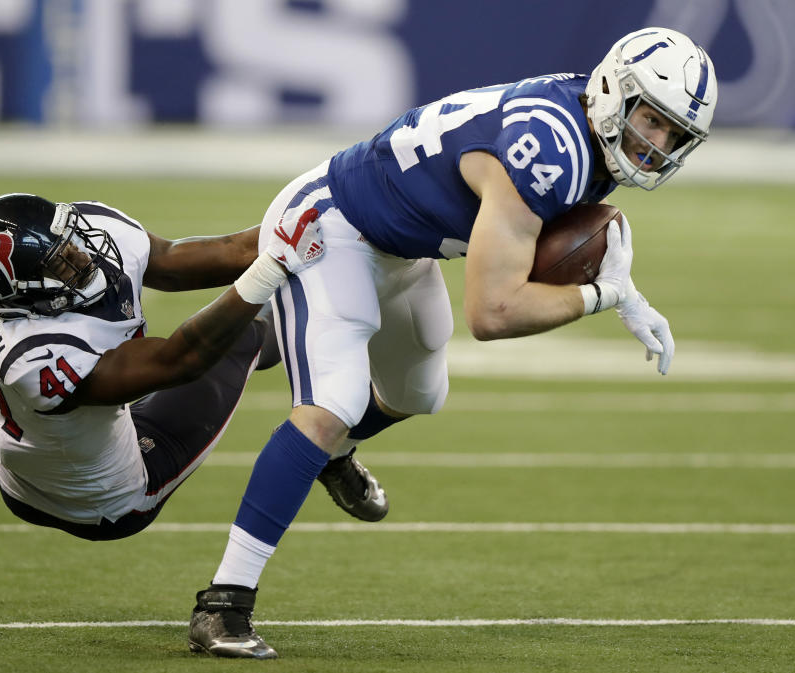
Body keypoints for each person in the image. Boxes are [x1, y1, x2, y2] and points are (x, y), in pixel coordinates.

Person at [187, 27, 718, 659]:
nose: (654, 145)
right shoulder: (546, 149)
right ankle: (224, 603)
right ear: (613, 92)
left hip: (403, 243)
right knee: (333, 403)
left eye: (672, 135)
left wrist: (621, 293)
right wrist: (606, 296)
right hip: (333, 226)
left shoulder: (587, 132)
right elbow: (492, 313)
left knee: (418, 391)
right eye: (651, 119)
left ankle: (328, 450)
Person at [0, 191, 368, 612]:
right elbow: (177, 361)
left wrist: (305, 224)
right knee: (242, 338)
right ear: (27, 295)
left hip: (31, 443)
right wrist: (271, 267)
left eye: (69, 241)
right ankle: (333, 416)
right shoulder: (34, 357)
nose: (81, 256)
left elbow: (178, 262)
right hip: (108, 496)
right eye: (60, 262)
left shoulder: (88, 240)